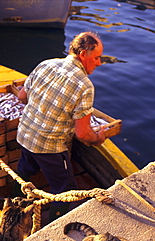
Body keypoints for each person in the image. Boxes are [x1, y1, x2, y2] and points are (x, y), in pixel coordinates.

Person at [15, 31, 106, 222]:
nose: (99, 63)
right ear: (83, 54)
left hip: (24, 134)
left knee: (26, 168)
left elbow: (22, 97)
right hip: (49, 147)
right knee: (66, 191)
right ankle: (54, 225)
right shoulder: (85, 86)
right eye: (97, 57)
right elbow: (82, 133)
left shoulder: (46, 64)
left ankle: (16, 199)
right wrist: (98, 138)